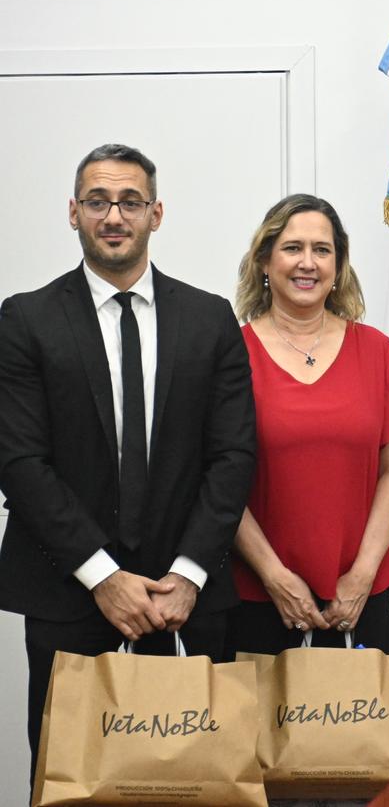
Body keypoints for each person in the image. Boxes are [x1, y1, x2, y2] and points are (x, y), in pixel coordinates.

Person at [0, 144, 256, 776]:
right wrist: (102, 576)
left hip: (186, 601)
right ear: (73, 212)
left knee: (194, 783)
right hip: (69, 595)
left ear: (155, 214)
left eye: (130, 202)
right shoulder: (26, 319)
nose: (113, 216)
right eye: (97, 201)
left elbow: (233, 456)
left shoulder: (210, 319)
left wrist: (189, 574)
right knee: (71, 782)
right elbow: (20, 461)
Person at [225, 195, 389, 654]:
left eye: (322, 250)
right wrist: (273, 576)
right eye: (292, 248)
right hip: (258, 594)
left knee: (362, 707)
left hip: (361, 592)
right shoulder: (230, 354)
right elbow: (216, 480)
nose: (307, 263)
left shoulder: (376, 351)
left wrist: (363, 574)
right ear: (264, 260)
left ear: (338, 265)